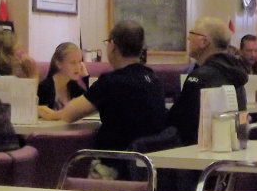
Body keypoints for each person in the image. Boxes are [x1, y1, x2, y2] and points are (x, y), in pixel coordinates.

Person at [37, 20, 167, 151]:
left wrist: (52, 114)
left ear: (113, 47)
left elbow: (69, 114)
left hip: (115, 162)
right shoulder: (153, 79)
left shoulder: (111, 82)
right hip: (149, 163)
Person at [169, 16, 248, 145]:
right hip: (232, 148)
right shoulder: (236, 74)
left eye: (192, 34)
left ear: (204, 42)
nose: (188, 38)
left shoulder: (199, 77)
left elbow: (178, 121)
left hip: (195, 151)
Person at [37, 41, 89, 109]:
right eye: (72, 63)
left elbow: (90, 104)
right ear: (58, 64)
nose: (77, 67)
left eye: (79, 62)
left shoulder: (73, 86)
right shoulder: (44, 88)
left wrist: (86, 78)